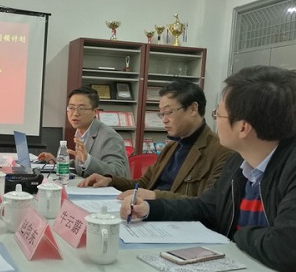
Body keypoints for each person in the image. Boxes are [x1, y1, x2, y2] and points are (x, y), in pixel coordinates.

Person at [124, 66, 296, 272]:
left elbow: (288, 249)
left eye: (217, 114)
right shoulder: (239, 161)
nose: (214, 121)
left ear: (243, 127)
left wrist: (235, 236)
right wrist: (149, 209)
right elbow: (206, 208)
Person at [79, 79, 234, 200]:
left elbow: (206, 204)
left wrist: (155, 196)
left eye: (169, 112)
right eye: (161, 114)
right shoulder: (171, 147)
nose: (164, 120)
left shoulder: (221, 151)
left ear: (193, 109)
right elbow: (144, 184)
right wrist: (110, 180)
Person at [37, 86, 129, 177]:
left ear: (95, 111)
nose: (75, 113)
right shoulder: (80, 131)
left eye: (81, 109)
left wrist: (87, 160)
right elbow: (81, 165)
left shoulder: (109, 136)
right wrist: (58, 161)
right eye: (71, 108)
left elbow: (119, 172)